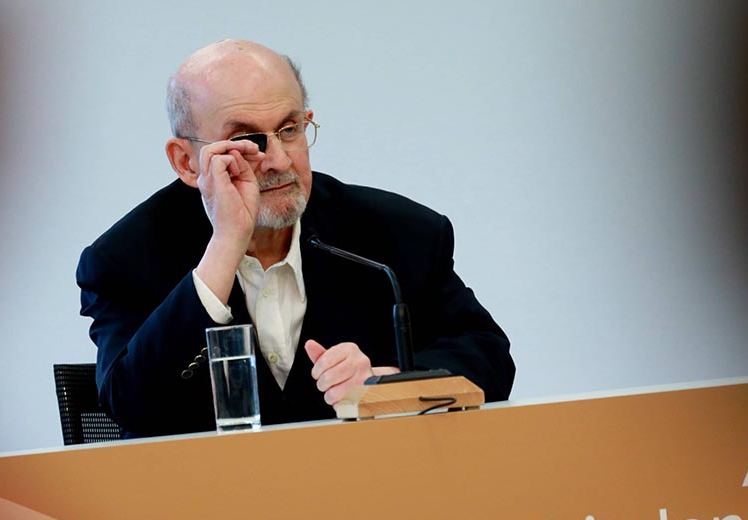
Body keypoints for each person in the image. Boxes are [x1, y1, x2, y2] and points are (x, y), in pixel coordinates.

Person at [77, 39, 515, 438]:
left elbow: (488, 357)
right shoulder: (126, 259)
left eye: (290, 130)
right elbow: (132, 407)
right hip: (208, 493)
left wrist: (392, 383)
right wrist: (226, 244)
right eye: (246, 140)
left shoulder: (398, 233)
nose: (279, 160)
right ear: (187, 162)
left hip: (367, 487)